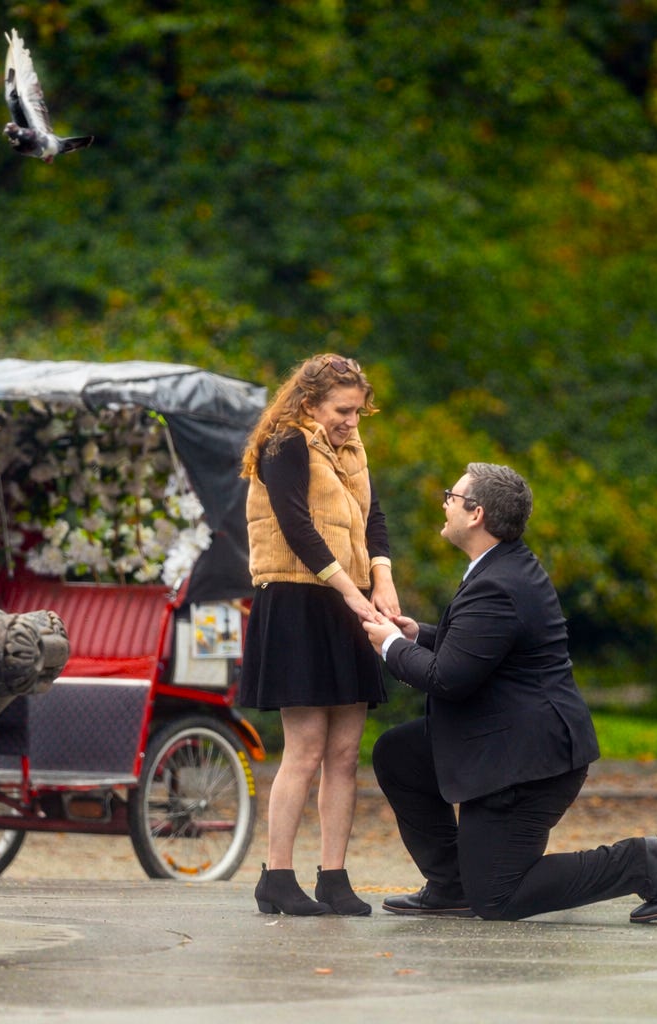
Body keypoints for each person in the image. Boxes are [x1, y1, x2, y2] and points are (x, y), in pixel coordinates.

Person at [361, 462, 657, 923]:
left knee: (499, 897)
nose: (445, 502)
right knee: (400, 753)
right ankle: (451, 886)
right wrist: (420, 637)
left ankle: (638, 862)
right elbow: (481, 650)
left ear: (476, 514)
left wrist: (389, 646)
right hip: (500, 739)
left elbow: (449, 680)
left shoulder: (498, 585)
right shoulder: (500, 568)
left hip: (528, 764)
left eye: (452, 495)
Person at [238, 353, 399, 916]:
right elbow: (295, 525)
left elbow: (373, 517)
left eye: (359, 411)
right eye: (342, 410)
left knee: (345, 752)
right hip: (298, 600)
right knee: (304, 750)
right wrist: (350, 592)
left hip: (346, 598)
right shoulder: (285, 443)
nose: (352, 421)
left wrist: (382, 579)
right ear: (309, 403)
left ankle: (334, 877)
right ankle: (276, 877)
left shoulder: (351, 449)